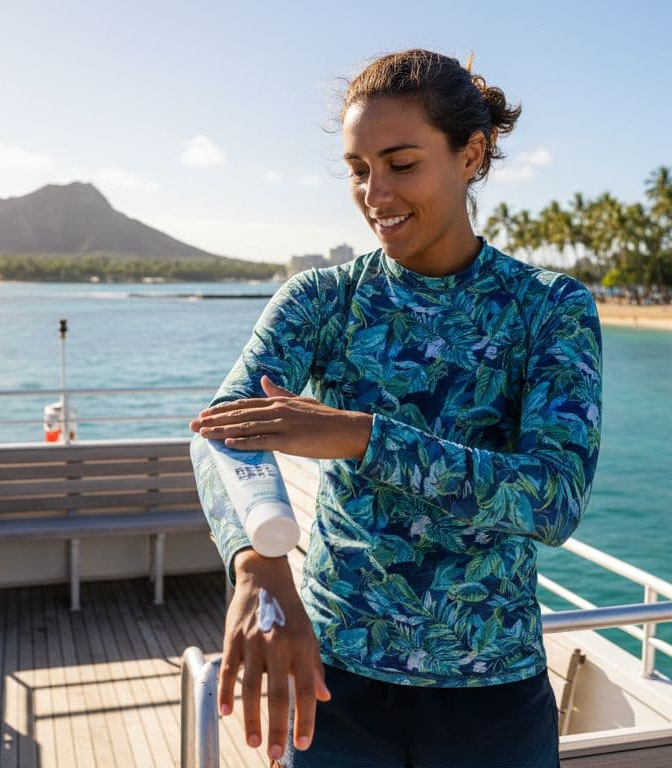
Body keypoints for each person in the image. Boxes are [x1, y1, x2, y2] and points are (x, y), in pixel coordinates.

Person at [189, 48, 602, 767]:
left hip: (493, 699)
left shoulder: (548, 308)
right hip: (331, 685)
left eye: (401, 163)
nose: (374, 191)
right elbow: (223, 432)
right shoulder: (321, 300)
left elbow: (554, 498)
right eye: (357, 169)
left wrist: (361, 437)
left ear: (470, 154)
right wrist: (258, 564)